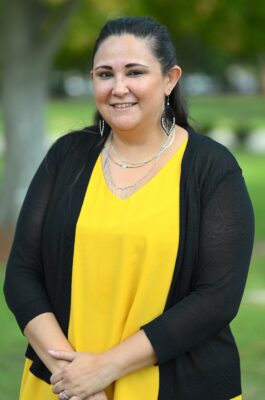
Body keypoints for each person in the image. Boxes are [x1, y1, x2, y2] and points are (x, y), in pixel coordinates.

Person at [3, 16, 254, 400]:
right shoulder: (66, 157)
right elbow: (22, 275)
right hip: (62, 387)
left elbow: (216, 298)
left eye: (134, 72)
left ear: (170, 79)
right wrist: (75, 378)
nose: (118, 88)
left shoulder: (211, 168)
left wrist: (104, 369)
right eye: (105, 74)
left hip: (176, 387)